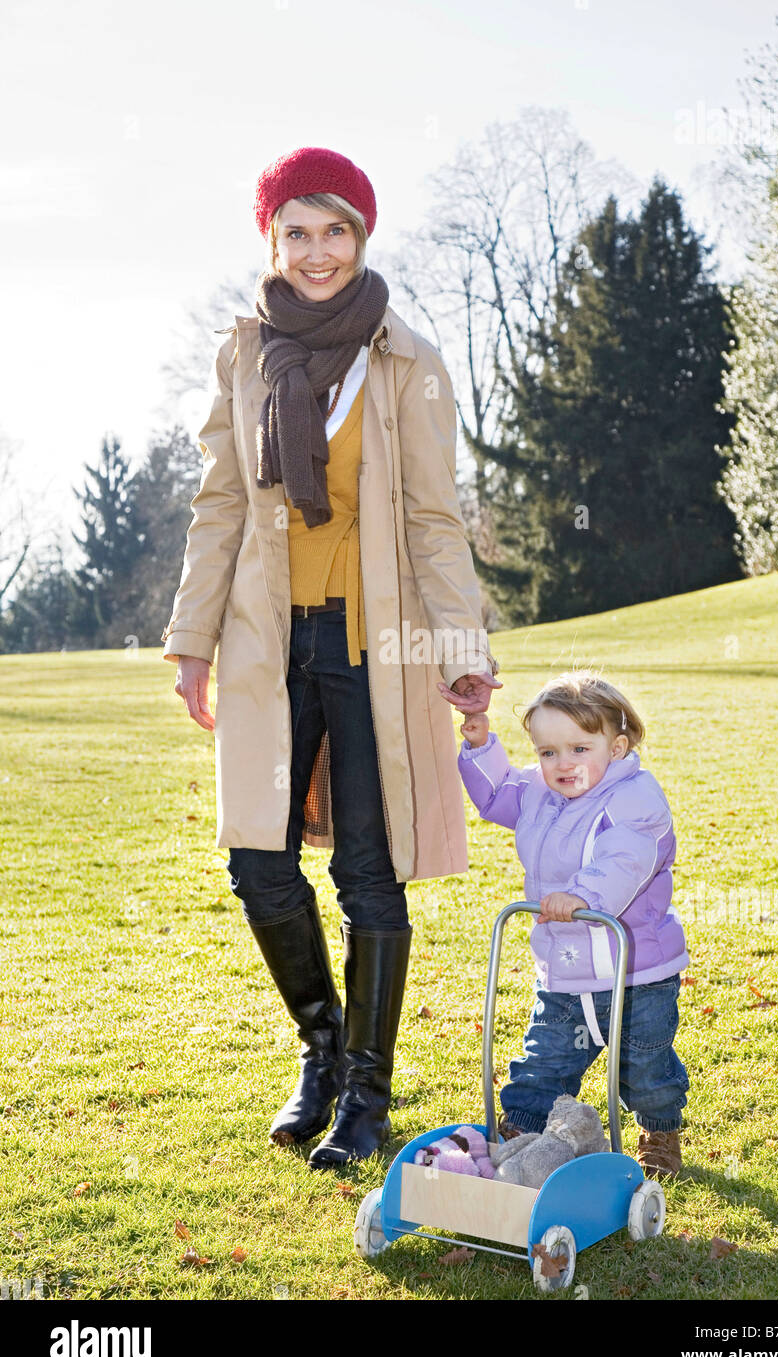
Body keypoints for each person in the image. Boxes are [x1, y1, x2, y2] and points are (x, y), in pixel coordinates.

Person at [162, 146, 500, 1168]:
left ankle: (366, 1089)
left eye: (335, 230)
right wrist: (188, 641)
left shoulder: (407, 359)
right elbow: (220, 503)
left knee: (365, 865)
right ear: (271, 241)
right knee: (257, 860)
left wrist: (461, 647)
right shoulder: (244, 355)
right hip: (268, 641)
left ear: (362, 235)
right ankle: (320, 1048)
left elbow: (436, 523)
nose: (316, 252)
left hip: (373, 639)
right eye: (295, 233)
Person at [457, 670, 690, 1178]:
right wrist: (481, 746)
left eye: (580, 749)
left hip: (636, 973)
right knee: (545, 1057)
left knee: (644, 1066)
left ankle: (659, 1130)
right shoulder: (542, 792)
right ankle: (520, 1130)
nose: (563, 765)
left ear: (618, 746)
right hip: (564, 970)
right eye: (547, 752)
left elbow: (625, 860)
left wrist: (582, 896)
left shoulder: (635, 799)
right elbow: (500, 794)